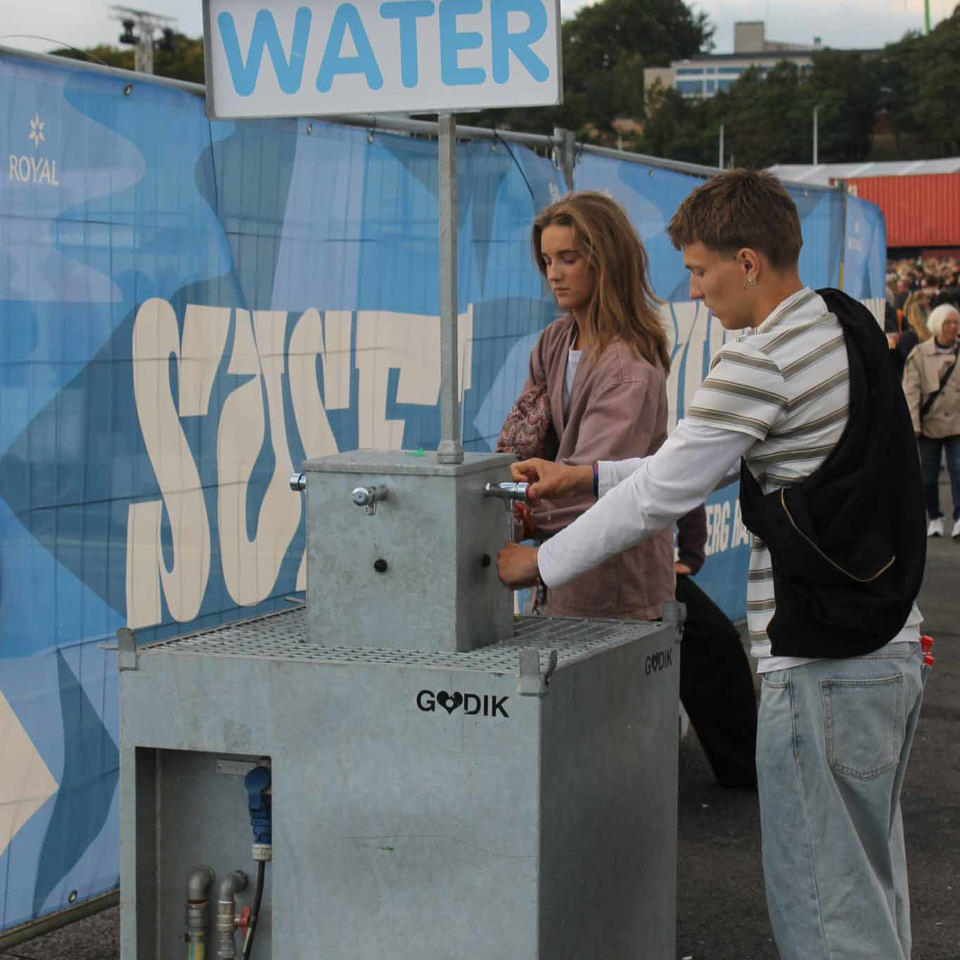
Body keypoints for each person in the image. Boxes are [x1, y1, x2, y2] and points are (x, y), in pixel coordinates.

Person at [498, 170, 927, 960]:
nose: (693, 293)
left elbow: (663, 490)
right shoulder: (842, 326)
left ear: (750, 261)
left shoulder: (757, 361)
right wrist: (584, 475)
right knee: (872, 895)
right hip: (886, 653)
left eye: (699, 271)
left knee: (828, 920)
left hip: (819, 670)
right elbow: (700, 466)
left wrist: (540, 563)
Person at [497, 191, 674, 620]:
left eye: (568, 259)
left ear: (605, 261)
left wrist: (522, 519)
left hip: (616, 585)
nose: (553, 274)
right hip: (558, 572)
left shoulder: (628, 367)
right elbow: (524, 445)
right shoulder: (554, 341)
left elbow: (594, 485)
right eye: (546, 261)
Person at [675, 506, 758, 789]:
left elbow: (682, 475)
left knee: (717, 644)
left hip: (644, 568)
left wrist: (690, 552)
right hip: (580, 561)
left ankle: (748, 767)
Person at [902, 301, 960, 538]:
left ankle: (959, 517)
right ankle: (935, 516)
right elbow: (911, 391)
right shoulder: (919, 354)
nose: (952, 327)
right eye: (947, 323)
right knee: (928, 477)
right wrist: (913, 424)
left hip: (957, 422)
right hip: (929, 425)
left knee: (959, 470)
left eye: (955, 322)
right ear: (937, 325)